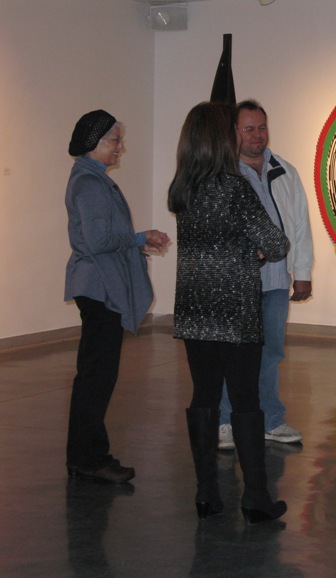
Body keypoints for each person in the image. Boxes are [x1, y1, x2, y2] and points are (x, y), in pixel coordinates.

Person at [168, 101, 289, 523]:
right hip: (235, 311)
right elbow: (276, 244)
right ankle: (255, 496)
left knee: (203, 397)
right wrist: (252, 252)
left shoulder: (183, 188)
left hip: (194, 310)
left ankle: (205, 493)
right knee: (245, 400)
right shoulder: (235, 189)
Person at [65, 109, 170, 484]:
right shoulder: (90, 183)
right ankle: (90, 459)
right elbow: (98, 241)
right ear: (94, 143)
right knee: (97, 378)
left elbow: (104, 238)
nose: (120, 147)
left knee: (93, 377)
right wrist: (140, 237)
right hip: (99, 289)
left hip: (98, 286)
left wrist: (135, 245)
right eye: (115, 140)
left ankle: (84, 457)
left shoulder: (92, 178)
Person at [216, 99, 314, 450]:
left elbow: (300, 225)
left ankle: (270, 420)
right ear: (234, 132)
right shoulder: (223, 174)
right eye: (249, 129)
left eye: (261, 127)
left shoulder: (284, 170)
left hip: (275, 281)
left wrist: (302, 271)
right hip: (236, 282)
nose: (257, 135)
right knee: (232, 353)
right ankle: (225, 421)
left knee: (271, 352)